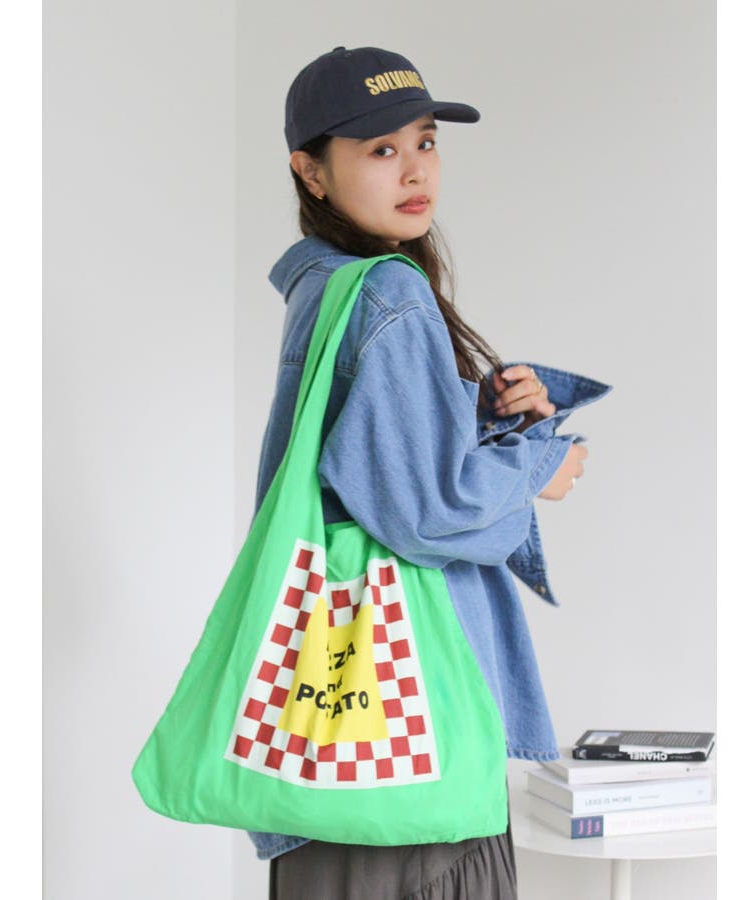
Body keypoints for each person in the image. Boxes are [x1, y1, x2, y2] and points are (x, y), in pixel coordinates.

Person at [248, 45, 611, 900]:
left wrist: (476, 418)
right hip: (415, 735)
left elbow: (366, 472)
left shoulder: (322, 289)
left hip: (337, 730)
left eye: (425, 142)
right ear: (310, 171)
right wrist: (539, 466)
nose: (416, 171)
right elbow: (425, 511)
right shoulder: (388, 294)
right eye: (381, 149)